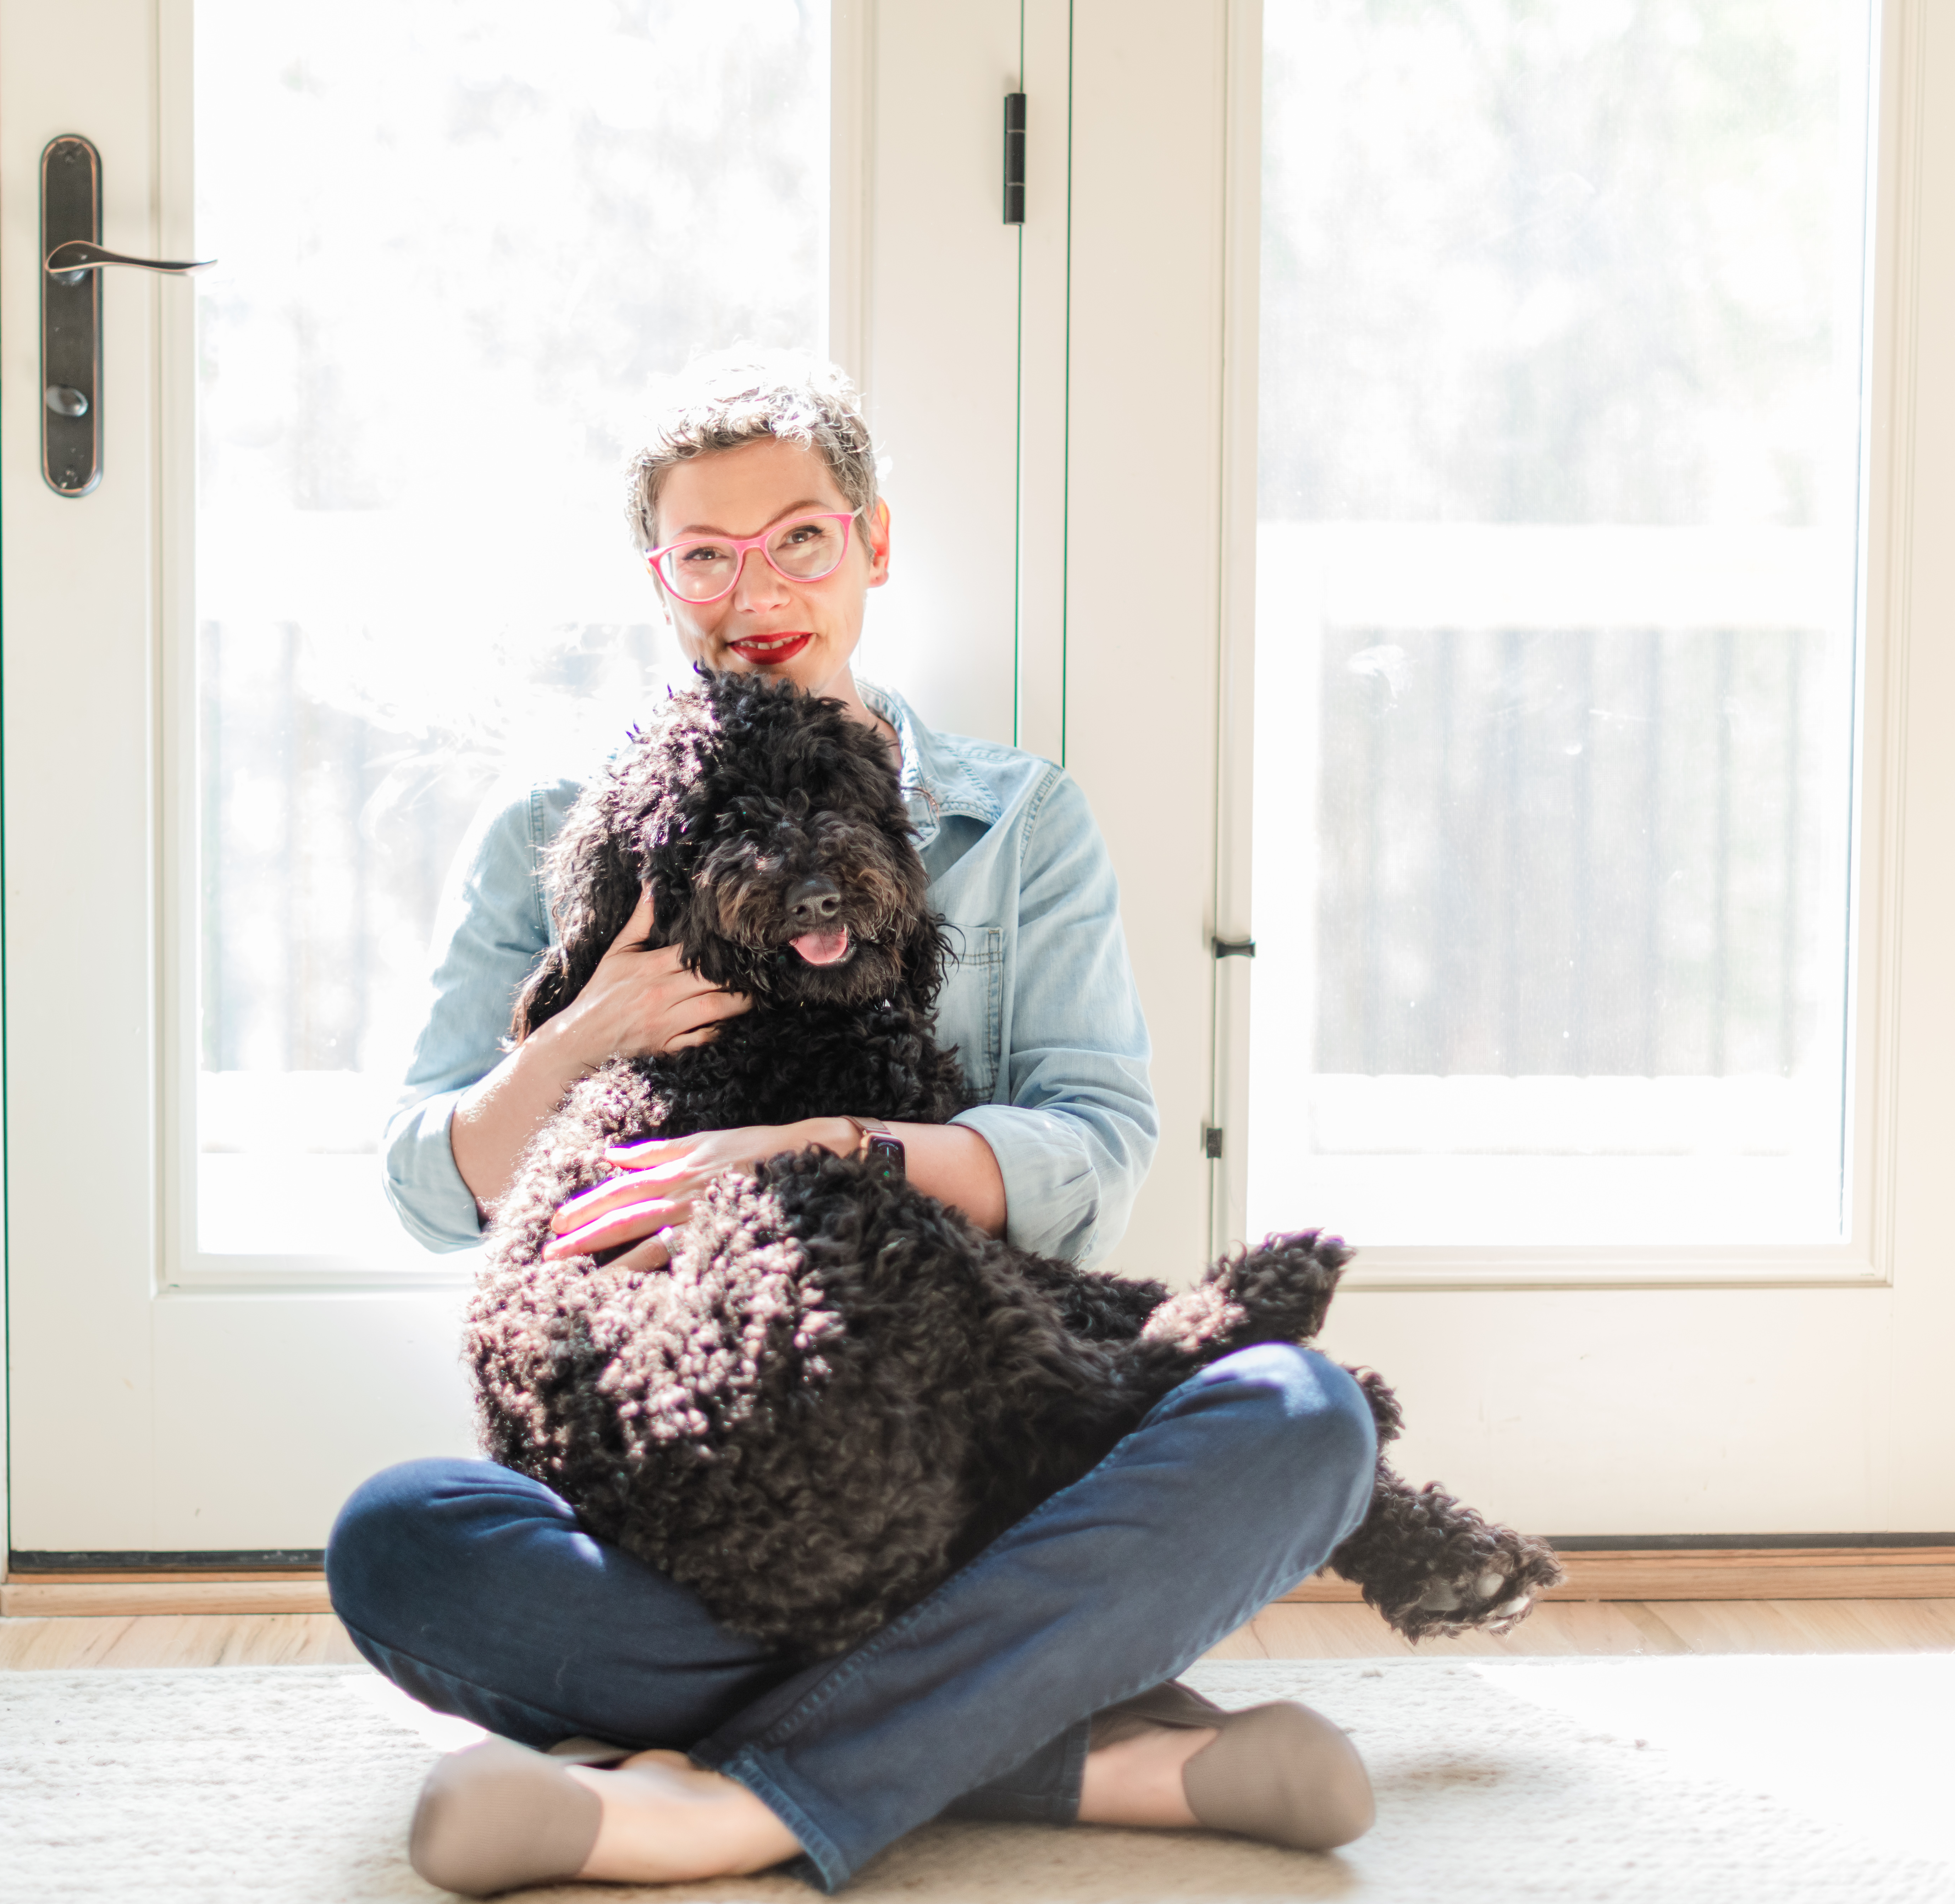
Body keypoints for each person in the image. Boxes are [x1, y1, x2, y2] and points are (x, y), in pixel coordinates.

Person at [333, 354, 1380, 1893]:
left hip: (967, 1445)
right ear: (658, 578)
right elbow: (434, 1184)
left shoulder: (1014, 819)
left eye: (802, 538)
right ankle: (1064, 1737)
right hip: (705, 1476)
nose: (756, 588)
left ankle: (728, 1803)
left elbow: (1092, 1158)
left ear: (875, 543)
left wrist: (812, 1155)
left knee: (1306, 1418)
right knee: (406, 1540)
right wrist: (589, 1033)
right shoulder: (561, 824)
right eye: (708, 554)